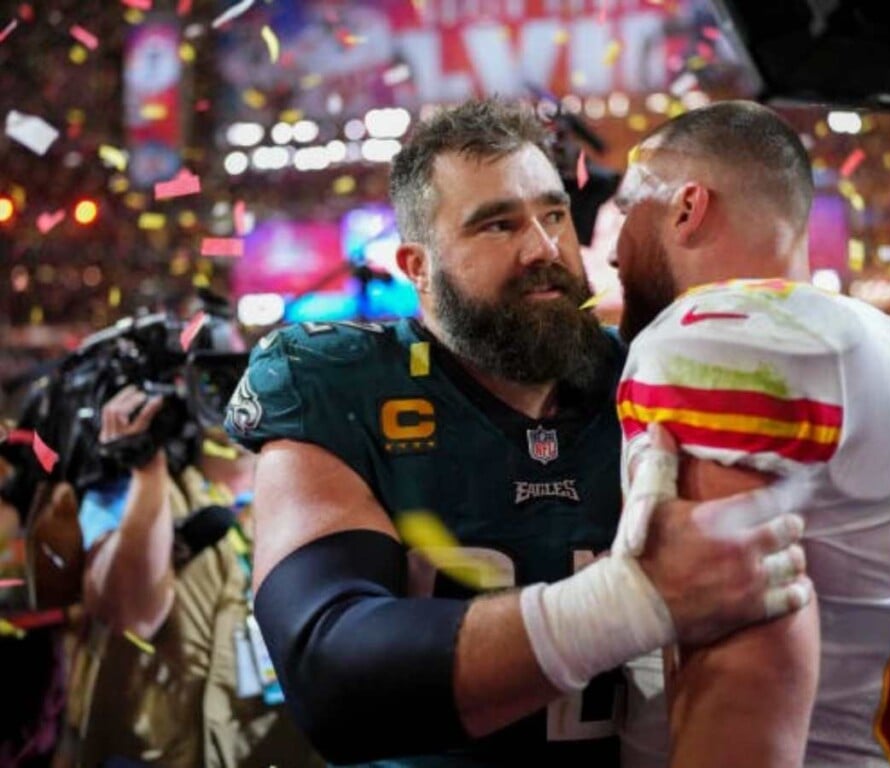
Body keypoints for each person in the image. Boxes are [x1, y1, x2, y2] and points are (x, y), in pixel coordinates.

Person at [224, 98, 810, 767]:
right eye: (497, 225)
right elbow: (330, 673)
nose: (544, 247)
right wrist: (625, 605)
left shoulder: (651, 378)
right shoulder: (338, 383)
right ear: (418, 268)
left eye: (553, 213)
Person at [611, 100, 890, 767]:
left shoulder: (723, 335)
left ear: (686, 207)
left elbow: (742, 648)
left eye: (626, 210)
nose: (614, 251)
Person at [66, 381, 324, 767]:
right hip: (158, 748)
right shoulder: (127, 489)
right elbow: (132, 615)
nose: (237, 395)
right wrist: (146, 469)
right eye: (212, 381)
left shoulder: (304, 490)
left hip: (266, 742)